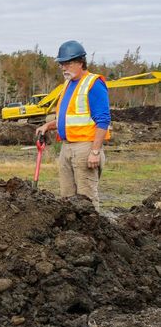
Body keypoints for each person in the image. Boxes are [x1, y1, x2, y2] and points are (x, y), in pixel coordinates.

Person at [35, 40, 111, 210]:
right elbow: (69, 118)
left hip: (85, 148)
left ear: (80, 62)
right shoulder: (69, 84)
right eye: (61, 63)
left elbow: (103, 120)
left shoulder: (93, 83)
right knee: (67, 200)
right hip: (67, 147)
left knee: (86, 201)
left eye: (67, 63)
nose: (63, 67)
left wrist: (95, 151)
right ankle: (72, 236)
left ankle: (90, 235)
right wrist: (49, 126)